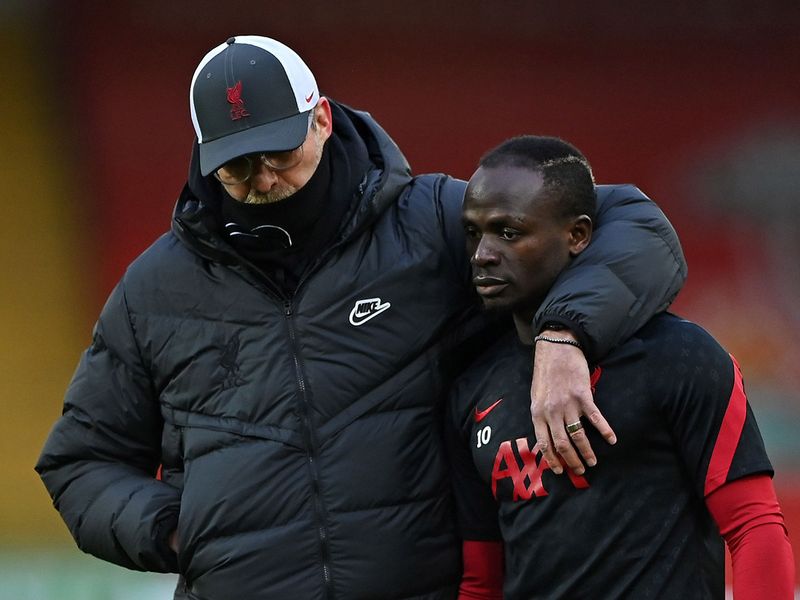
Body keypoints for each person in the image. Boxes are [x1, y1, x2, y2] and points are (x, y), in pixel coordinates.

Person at [36, 37, 686, 599]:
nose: (264, 180)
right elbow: (79, 463)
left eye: (279, 152)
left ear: (319, 119)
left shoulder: (429, 222)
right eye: (237, 166)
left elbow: (632, 226)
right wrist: (174, 528)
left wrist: (563, 333)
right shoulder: (155, 290)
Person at [447, 135, 795, 599]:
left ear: (577, 236)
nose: (483, 254)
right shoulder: (472, 388)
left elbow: (754, 527)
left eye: (509, 232)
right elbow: (481, 580)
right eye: (474, 232)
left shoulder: (681, 357)